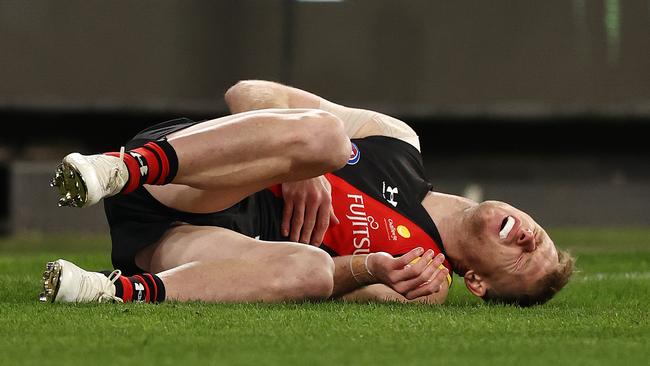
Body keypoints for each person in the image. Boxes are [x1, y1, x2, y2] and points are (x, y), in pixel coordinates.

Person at [42, 80, 574, 307]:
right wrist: (301, 166)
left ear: (477, 282)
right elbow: (248, 93)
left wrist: (369, 269)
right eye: (540, 235)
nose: (528, 236)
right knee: (325, 136)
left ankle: (107, 292)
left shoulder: (423, 282)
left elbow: (324, 282)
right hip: (187, 176)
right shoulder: (397, 141)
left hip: (188, 246)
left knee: (312, 271)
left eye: (524, 255)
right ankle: (120, 169)